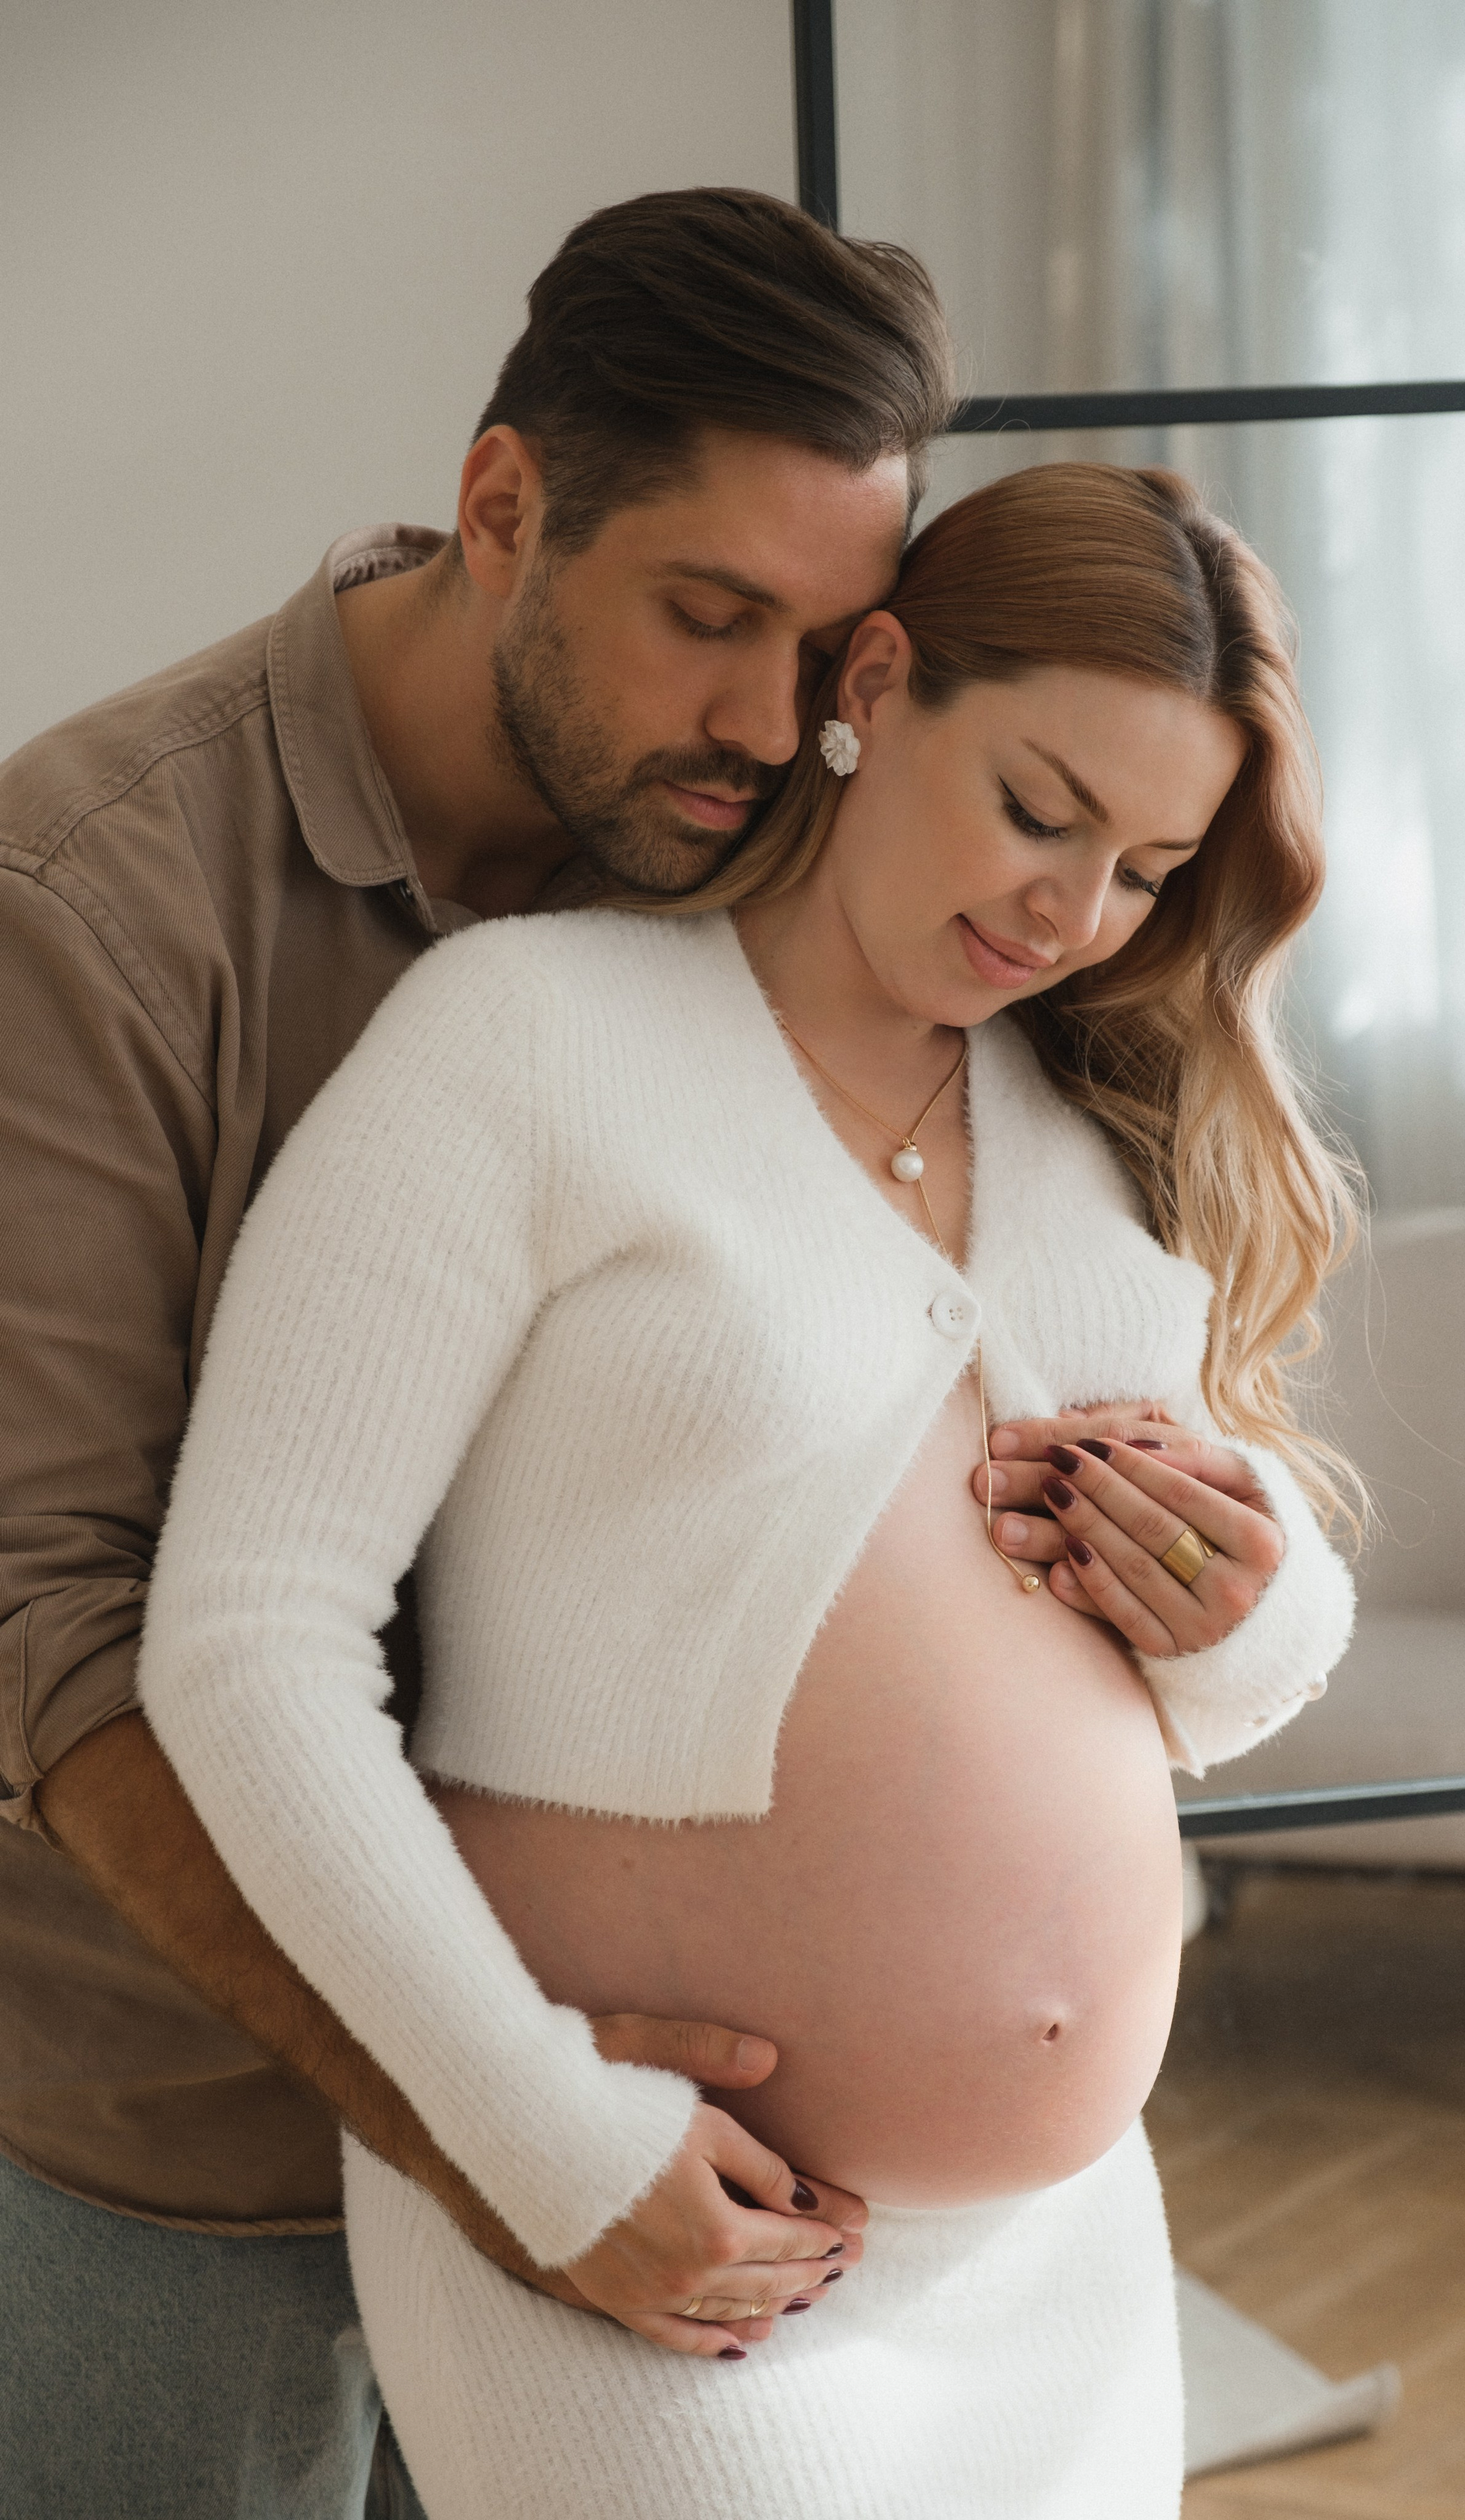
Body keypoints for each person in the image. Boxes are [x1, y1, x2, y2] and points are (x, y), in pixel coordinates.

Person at [139, 461, 1359, 2518]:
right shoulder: (530, 1041)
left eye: (1149, 867)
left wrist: (1255, 1599)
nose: (1074, 914)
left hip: (1059, 2274)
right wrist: (539, 2139)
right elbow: (244, 1645)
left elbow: (1230, 1681)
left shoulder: (1086, 1119)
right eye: (1038, 809)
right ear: (875, 681)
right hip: (658, 2239)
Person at [0, 188, 955, 2518]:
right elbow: (45, 1621)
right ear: (505, 507)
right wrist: (493, 2115)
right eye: (706, 617)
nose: (767, 722)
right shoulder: (89, 905)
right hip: (195, 2146)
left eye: (827, 647)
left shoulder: (751, 857)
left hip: (694, 2128)